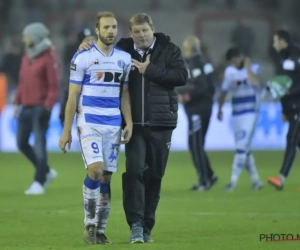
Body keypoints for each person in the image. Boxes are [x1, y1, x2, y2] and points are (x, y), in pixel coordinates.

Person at [79, 13, 187, 243]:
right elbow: (102, 50)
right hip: (133, 125)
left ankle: (147, 226)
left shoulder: (170, 49)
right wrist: (86, 45)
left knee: (155, 176)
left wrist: (151, 71)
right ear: (131, 33)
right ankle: (136, 225)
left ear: (152, 29)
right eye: (136, 32)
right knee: (134, 174)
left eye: (145, 31)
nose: (141, 36)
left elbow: (181, 76)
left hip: (161, 123)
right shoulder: (123, 50)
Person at [58, 12, 133, 244]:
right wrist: (66, 129)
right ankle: (89, 225)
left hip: (113, 123)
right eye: (106, 27)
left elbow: (125, 95)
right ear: (97, 30)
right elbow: (72, 96)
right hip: (89, 120)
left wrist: (128, 122)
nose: (110, 31)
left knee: (107, 178)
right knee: (96, 170)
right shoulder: (83, 57)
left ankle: (100, 230)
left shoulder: (124, 59)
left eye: (113, 27)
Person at [14, 22, 60, 195]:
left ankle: (39, 181)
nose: (24, 38)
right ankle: (46, 171)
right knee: (21, 142)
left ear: (34, 37)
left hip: (40, 108)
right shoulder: (27, 56)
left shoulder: (49, 58)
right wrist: (18, 101)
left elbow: (53, 86)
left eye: (26, 35)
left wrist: (47, 108)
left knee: (40, 145)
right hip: (25, 107)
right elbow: (23, 82)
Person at [217, 47, 263, 192]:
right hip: (236, 113)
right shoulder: (229, 72)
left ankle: (233, 181)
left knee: (241, 147)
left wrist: (248, 68)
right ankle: (256, 181)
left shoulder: (253, 68)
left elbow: (256, 83)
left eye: (238, 57)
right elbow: (224, 92)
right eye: (233, 60)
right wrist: (219, 109)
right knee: (244, 149)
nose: (235, 62)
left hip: (250, 112)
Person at [178, 36, 218, 191]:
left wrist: (186, 96)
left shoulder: (195, 64)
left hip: (197, 110)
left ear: (189, 49)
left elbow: (201, 86)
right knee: (197, 144)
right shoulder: (205, 62)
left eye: (185, 47)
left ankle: (204, 180)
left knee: (195, 144)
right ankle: (209, 175)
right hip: (205, 107)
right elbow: (211, 86)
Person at [268, 30, 300, 190]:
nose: (273, 45)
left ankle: (281, 178)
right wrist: (284, 110)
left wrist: (291, 90)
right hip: (292, 107)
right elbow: (282, 86)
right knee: (297, 141)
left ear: (283, 41)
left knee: (291, 140)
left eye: (275, 41)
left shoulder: (296, 56)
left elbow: (291, 86)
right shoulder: (283, 59)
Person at [59, 28, 96, 126]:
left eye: (93, 39)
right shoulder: (74, 62)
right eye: (87, 40)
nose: (91, 42)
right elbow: (68, 92)